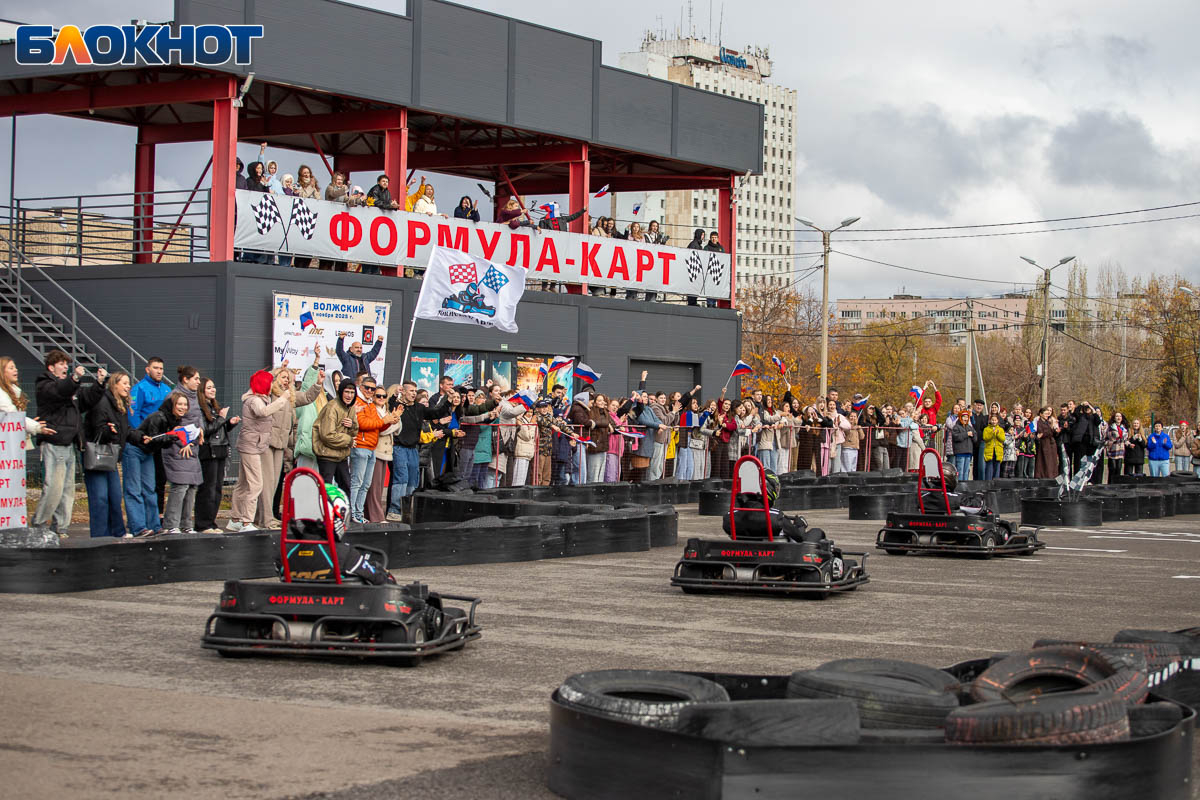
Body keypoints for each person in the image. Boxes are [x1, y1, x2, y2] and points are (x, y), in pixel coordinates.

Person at [75, 369, 142, 538]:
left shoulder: (120, 405)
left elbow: (125, 430)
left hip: (111, 456)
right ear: (115, 385)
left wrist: (142, 438)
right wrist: (108, 430)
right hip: (97, 455)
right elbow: (96, 428)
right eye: (124, 383)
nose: (128, 387)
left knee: (114, 495)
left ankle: (118, 531)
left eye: (129, 383)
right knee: (100, 497)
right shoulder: (102, 401)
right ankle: (100, 535)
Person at [227, 370, 292, 532]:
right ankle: (246, 522)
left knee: (243, 484)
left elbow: (262, 377)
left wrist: (278, 370)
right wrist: (283, 399)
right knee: (256, 484)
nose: (272, 385)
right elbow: (263, 412)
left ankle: (235, 519)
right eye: (269, 383)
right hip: (252, 447)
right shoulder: (255, 400)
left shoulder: (256, 397)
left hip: (250, 445)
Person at [33, 351, 90, 536]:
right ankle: (39, 524)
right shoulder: (45, 384)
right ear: (51, 368)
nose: (66, 367)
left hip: (68, 442)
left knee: (67, 490)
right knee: (54, 488)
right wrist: (74, 379)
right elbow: (59, 391)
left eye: (67, 364)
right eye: (61, 364)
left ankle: (60, 527)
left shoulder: (69, 388)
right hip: (54, 441)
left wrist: (99, 385)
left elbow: (84, 400)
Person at [137, 392, 201, 534]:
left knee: (189, 487)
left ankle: (182, 524)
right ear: (172, 405)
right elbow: (154, 439)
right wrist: (174, 436)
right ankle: (166, 524)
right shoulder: (160, 417)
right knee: (153, 488)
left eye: (185, 404)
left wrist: (184, 439)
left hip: (154, 453)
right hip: (144, 452)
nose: (183, 407)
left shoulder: (176, 420)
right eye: (179, 404)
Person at [123, 357, 172, 535]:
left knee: (153, 486)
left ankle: (154, 524)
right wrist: (140, 436)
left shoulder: (166, 390)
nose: (159, 371)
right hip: (140, 443)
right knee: (135, 488)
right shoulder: (140, 389)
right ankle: (138, 525)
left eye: (161, 368)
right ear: (147, 369)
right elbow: (133, 414)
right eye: (155, 368)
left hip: (156, 444)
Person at [350, 377, 399, 524]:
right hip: (361, 447)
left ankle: (358, 514)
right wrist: (384, 421)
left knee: (365, 485)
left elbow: (378, 426)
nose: (370, 391)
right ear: (360, 386)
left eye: (372, 388)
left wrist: (390, 421)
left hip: (371, 447)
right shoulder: (358, 402)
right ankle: (352, 514)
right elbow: (363, 423)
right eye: (367, 388)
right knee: (357, 483)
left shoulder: (369, 404)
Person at [194, 377, 239, 533]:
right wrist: (221, 418)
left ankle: (211, 522)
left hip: (220, 450)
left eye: (213, 387)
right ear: (202, 391)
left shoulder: (213, 406)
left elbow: (218, 429)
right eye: (209, 388)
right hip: (209, 451)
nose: (213, 390)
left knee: (217, 488)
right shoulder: (200, 409)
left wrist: (229, 423)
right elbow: (207, 430)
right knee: (208, 488)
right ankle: (203, 524)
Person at [312, 378, 360, 494]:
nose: (349, 396)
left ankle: (343, 507)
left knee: (346, 487)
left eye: (352, 392)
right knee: (326, 489)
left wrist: (352, 425)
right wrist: (348, 441)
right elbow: (327, 435)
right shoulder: (332, 407)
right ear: (341, 392)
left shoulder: (350, 408)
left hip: (341, 455)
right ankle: (324, 507)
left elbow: (354, 433)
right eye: (346, 392)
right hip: (327, 455)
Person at [0, 355, 53, 449]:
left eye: (15, 367)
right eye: (11, 368)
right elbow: (13, 416)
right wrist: (36, 427)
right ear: (2, 372)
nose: (16, 370)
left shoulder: (14, 391)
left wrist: (30, 424)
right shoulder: (1, 394)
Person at [1034, 407, 1060, 479]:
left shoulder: (1048, 422)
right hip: (1044, 443)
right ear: (1041, 414)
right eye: (1045, 414)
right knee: (1044, 461)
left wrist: (1056, 431)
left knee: (1052, 461)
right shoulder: (1038, 422)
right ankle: (1044, 476)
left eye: (1047, 414)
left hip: (1051, 443)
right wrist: (1050, 431)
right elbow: (1041, 432)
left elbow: (1052, 432)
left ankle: (1052, 476)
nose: (1047, 415)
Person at [951, 408, 976, 480]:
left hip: (968, 453)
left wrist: (973, 435)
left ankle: (965, 485)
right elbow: (956, 437)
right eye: (964, 417)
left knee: (966, 472)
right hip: (960, 453)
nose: (965, 419)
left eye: (967, 417)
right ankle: (960, 485)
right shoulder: (956, 427)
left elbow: (975, 438)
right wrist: (966, 434)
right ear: (960, 417)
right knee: (960, 471)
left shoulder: (970, 427)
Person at [1103, 412, 1127, 483]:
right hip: (1112, 451)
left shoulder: (1124, 428)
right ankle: (1110, 484)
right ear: (1114, 418)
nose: (1118, 418)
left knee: (1118, 469)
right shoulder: (1110, 427)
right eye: (1117, 416)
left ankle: (1117, 485)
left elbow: (1125, 439)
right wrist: (1109, 442)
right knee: (1112, 469)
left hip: (1120, 451)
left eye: (1120, 416)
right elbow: (1105, 439)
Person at [981, 413, 1005, 481]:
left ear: (997, 421)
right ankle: (988, 481)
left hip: (998, 451)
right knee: (989, 467)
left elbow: (1003, 439)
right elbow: (985, 438)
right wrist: (992, 433)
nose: (994, 421)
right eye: (992, 420)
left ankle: (996, 482)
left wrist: (997, 434)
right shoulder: (986, 429)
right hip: (989, 450)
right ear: (990, 420)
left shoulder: (1001, 429)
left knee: (997, 467)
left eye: (995, 420)